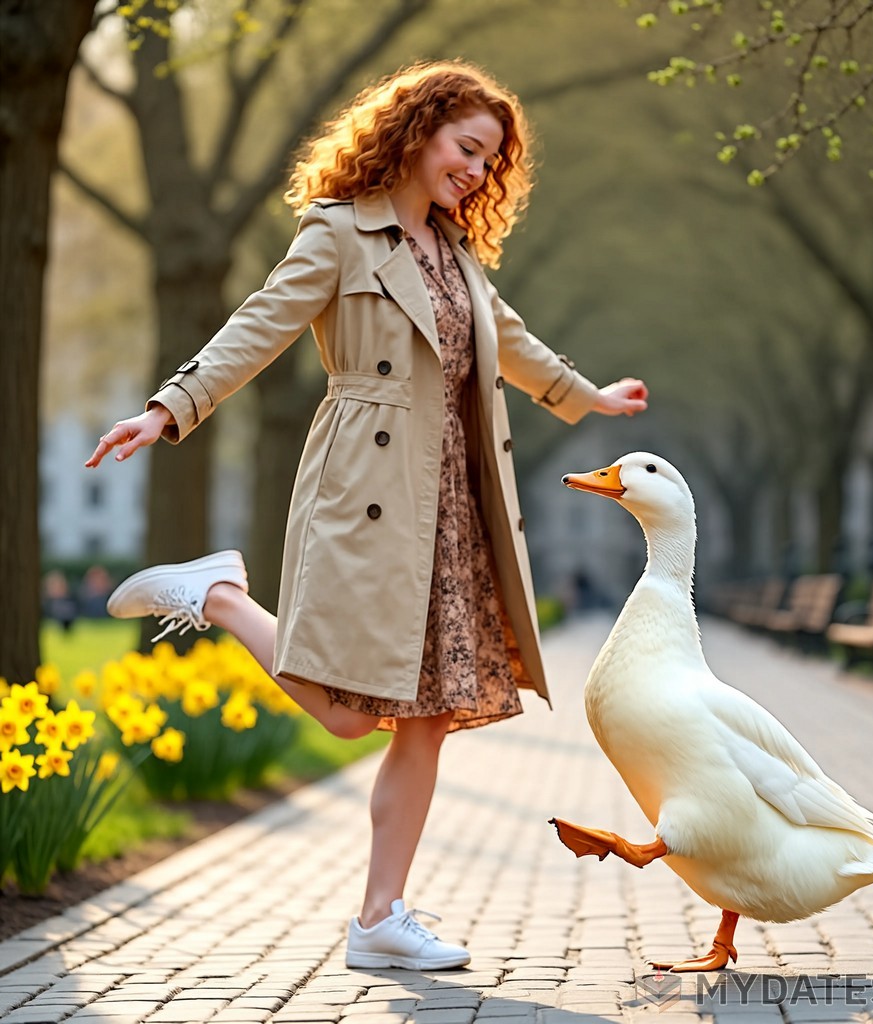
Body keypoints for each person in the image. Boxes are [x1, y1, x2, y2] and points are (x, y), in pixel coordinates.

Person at [86, 59, 648, 970]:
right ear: (418, 132)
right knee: (352, 718)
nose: (475, 170)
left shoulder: (455, 252)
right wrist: (167, 409)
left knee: (427, 718)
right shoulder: (340, 235)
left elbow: (508, 341)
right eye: (466, 148)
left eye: (488, 161)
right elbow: (259, 323)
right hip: (369, 490)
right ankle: (221, 597)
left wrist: (591, 397)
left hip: (453, 505)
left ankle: (379, 919)